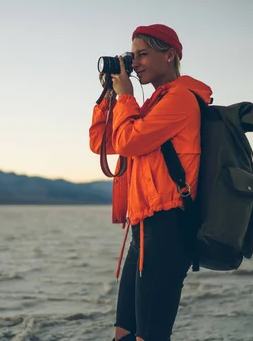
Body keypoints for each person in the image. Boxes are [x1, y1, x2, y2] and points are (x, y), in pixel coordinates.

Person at [89, 24, 213, 341]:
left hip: (168, 227)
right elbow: (102, 143)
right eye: (133, 56)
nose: (137, 62)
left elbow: (129, 141)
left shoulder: (182, 99)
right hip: (143, 226)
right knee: (124, 333)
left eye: (143, 54)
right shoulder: (152, 104)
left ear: (170, 55)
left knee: (151, 336)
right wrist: (109, 97)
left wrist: (126, 96)